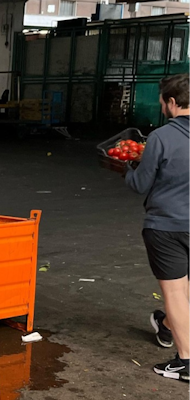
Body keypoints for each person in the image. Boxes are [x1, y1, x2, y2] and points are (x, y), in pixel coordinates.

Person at [125, 73, 190, 382]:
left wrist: (127, 168)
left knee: (176, 293)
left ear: (173, 102)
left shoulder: (162, 137)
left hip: (166, 225)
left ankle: (187, 362)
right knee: (186, 290)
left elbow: (139, 184)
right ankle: (165, 326)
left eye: (163, 102)